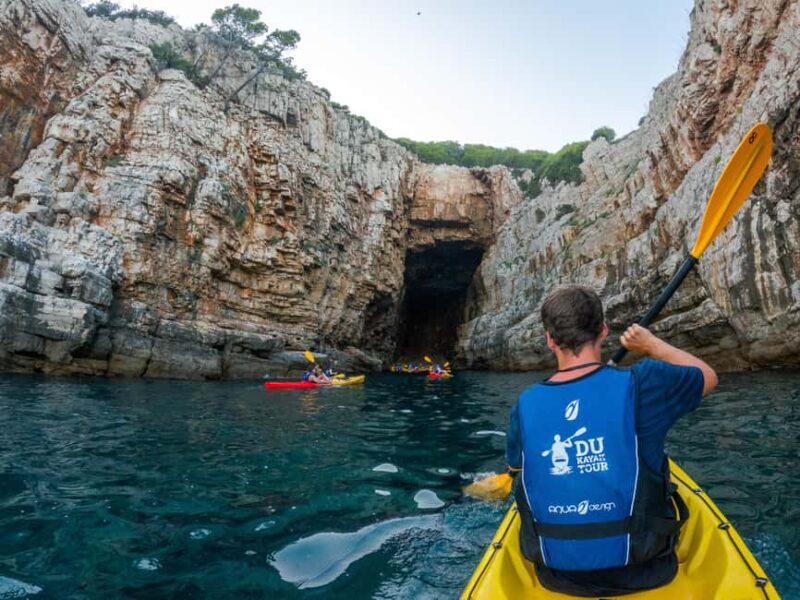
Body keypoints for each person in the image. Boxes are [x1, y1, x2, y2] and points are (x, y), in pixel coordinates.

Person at [505, 285, 717, 596]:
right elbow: (707, 376)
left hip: (558, 575)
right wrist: (651, 344)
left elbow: (517, 469)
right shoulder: (644, 383)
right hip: (646, 570)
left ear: (550, 340)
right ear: (603, 330)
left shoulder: (524, 406)